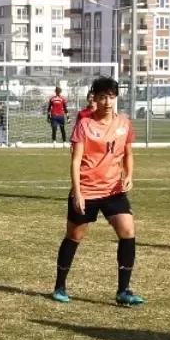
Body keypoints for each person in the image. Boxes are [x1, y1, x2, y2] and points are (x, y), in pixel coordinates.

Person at [52, 77, 144, 307]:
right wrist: (78, 192)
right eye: (103, 96)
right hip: (87, 190)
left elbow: (128, 153)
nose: (107, 101)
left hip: (113, 191)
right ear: (95, 98)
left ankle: (123, 290)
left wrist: (129, 175)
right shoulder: (85, 124)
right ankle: (60, 286)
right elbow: (75, 161)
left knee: (127, 231)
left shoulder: (124, 123)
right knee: (74, 236)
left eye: (111, 97)